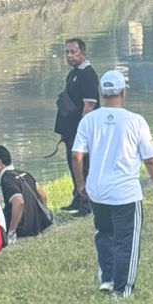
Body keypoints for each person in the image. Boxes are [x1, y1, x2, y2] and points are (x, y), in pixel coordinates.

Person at [72, 68, 153, 298]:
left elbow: (77, 155)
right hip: (125, 193)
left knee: (103, 233)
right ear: (123, 93)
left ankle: (107, 278)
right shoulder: (135, 121)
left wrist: (80, 184)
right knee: (127, 241)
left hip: (97, 191)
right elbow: (150, 160)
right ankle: (122, 289)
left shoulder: (88, 120)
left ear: (101, 93)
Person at [55, 38, 98, 215]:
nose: (70, 56)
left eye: (73, 52)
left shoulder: (87, 74)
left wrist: (82, 133)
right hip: (70, 130)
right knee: (73, 165)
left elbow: (89, 106)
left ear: (83, 52)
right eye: (67, 52)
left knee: (84, 166)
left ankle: (87, 203)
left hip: (81, 132)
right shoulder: (74, 73)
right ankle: (77, 198)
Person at [0, 145, 52, 244]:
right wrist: (40, 217)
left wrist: (12, 232)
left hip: (23, 229)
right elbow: (43, 196)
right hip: (38, 224)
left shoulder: (7, 180)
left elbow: (19, 202)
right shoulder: (24, 173)